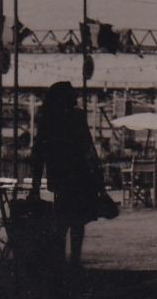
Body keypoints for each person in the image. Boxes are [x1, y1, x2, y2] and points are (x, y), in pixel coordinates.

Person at [30, 80, 109, 266]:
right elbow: (88, 149)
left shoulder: (48, 119)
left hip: (60, 177)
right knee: (77, 221)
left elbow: (39, 153)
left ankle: (59, 260)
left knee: (61, 220)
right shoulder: (77, 117)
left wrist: (35, 185)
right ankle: (74, 259)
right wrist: (98, 179)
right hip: (80, 176)